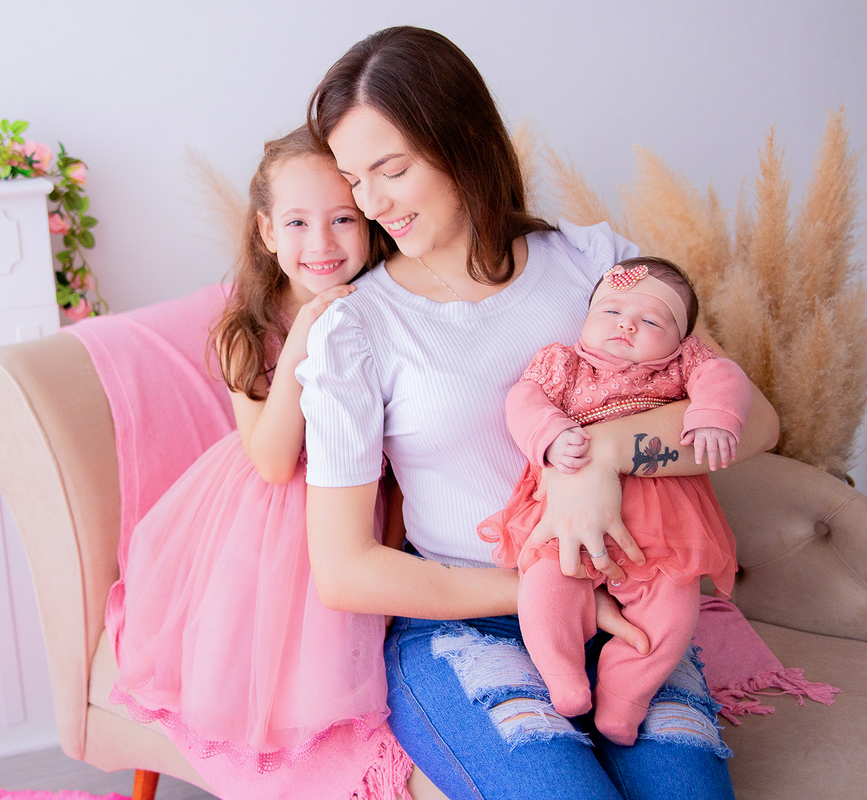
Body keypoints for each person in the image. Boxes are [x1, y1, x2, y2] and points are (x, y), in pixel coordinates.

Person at [297, 26, 778, 800]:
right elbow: (344, 569)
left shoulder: (593, 264)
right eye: (356, 179)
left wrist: (599, 455)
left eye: (393, 169)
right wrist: (552, 591)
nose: (373, 202)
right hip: (466, 621)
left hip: (633, 603)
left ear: (462, 142)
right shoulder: (357, 327)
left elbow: (752, 424)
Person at [105, 127, 412, 800]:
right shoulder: (247, 329)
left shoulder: (393, 305)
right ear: (268, 231)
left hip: (370, 501)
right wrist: (305, 336)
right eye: (299, 222)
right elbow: (272, 460)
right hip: (270, 516)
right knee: (286, 652)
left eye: (343, 219)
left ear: (370, 222)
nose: (323, 243)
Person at [477, 256, 751, 746]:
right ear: (584, 319)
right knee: (545, 585)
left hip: (661, 519)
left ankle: (625, 697)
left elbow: (725, 377)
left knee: (671, 613)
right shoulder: (563, 362)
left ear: (680, 339)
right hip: (567, 501)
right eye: (611, 311)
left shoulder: (686, 364)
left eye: (650, 320)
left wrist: (713, 415)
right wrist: (550, 433)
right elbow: (524, 401)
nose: (627, 324)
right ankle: (563, 677)